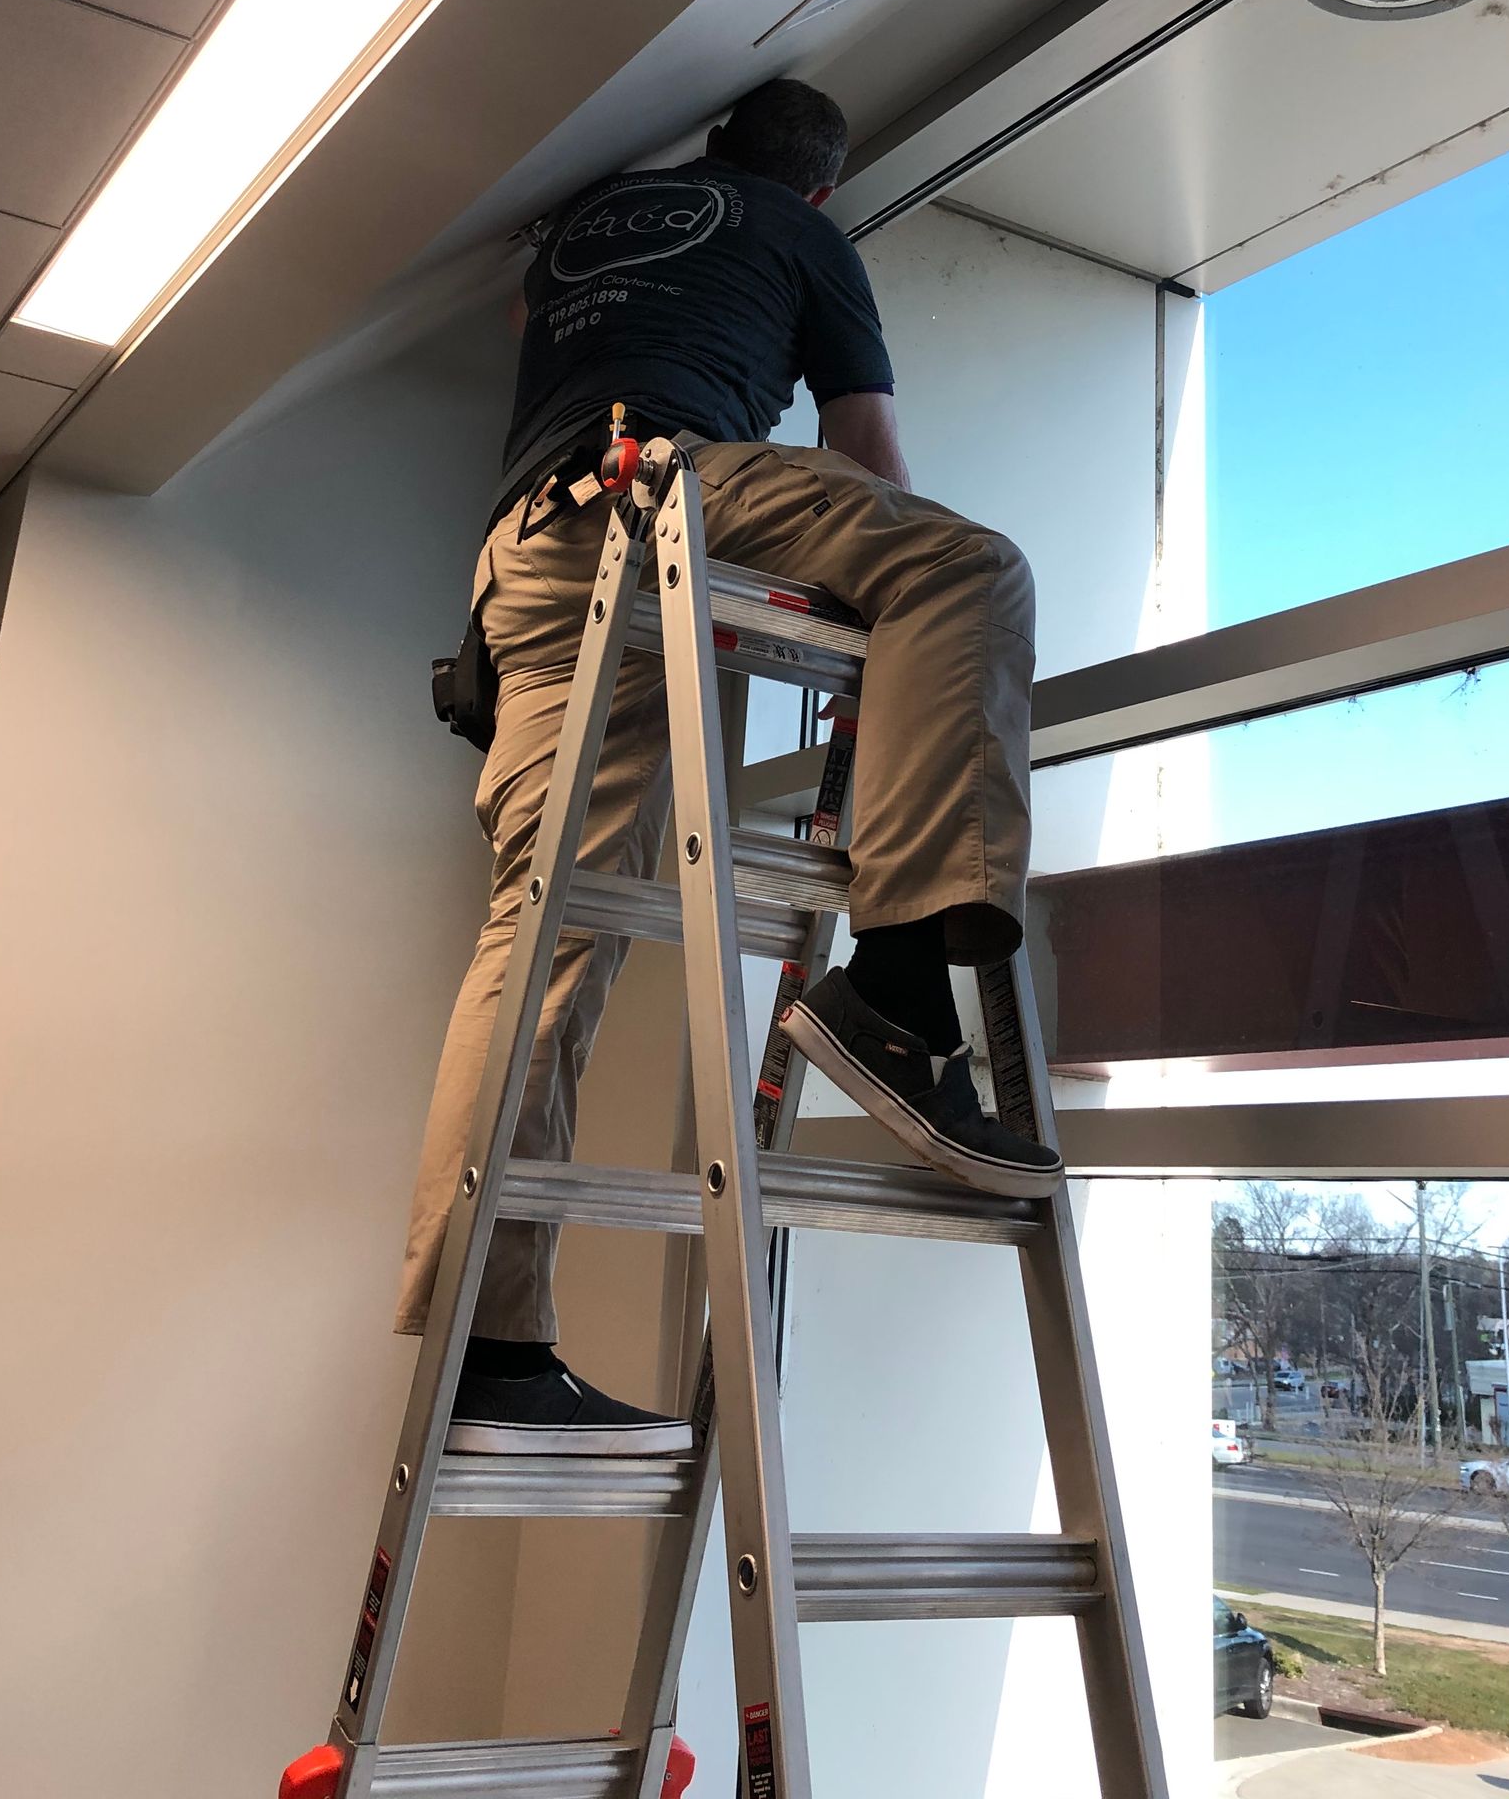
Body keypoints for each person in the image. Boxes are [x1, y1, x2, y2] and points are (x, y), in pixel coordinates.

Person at [398, 79, 1056, 1454]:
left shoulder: (586, 225)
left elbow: (531, 325)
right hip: (658, 491)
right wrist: (887, 640)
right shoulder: (808, 237)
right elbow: (866, 457)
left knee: (543, 939)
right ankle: (891, 991)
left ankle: (491, 1343)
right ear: (820, 188)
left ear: (714, 150)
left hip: (523, 554)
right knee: (964, 566)